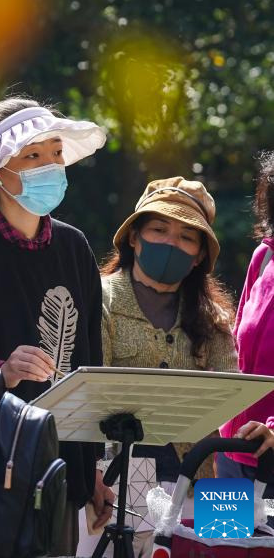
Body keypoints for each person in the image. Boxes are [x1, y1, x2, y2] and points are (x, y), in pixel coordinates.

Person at [0, 95, 114, 556]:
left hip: (63, 474)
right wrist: (2, 369)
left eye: (56, 152)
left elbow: (89, 359)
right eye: (32, 156)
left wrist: (91, 468)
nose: (50, 165)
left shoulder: (74, 247)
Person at [92, 176, 252, 555]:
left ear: (199, 255)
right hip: (117, 482)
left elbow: (232, 401)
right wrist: (91, 474)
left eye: (186, 237)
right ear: (134, 237)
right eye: (159, 229)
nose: (170, 243)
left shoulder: (213, 319)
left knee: (230, 549)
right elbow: (90, 397)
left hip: (203, 479)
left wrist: (254, 431)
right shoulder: (99, 299)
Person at [219, 152, 274, 479]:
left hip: (270, 461)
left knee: (264, 534)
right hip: (228, 451)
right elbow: (233, 352)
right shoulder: (264, 256)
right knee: (217, 530)